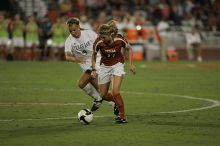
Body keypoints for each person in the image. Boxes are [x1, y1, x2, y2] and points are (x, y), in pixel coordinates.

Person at [64, 17, 119, 114]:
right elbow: (67, 56)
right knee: (102, 92)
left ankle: (97, 99)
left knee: (81, 83)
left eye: (74, 30)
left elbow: (100, 42)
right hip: (86, 67)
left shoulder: (89, 33)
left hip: (96, 62)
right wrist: (75, 59)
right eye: (70, 31)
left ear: (79, 26)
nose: (73, 32)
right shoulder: (69, 40)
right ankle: (115, 104)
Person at [91, 23, 136, 124]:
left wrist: (131, 64)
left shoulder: (119, 39)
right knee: (102, 95)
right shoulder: (98, 42)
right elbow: (93, 55)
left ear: (110, 34)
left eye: (103, 37)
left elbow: (129, 49)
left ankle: (122, 116)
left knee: (115, 91)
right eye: (100, 36)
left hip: (118, 65)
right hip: (104, 67)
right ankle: (116, 102)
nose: (101, 38)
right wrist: (94, 69)